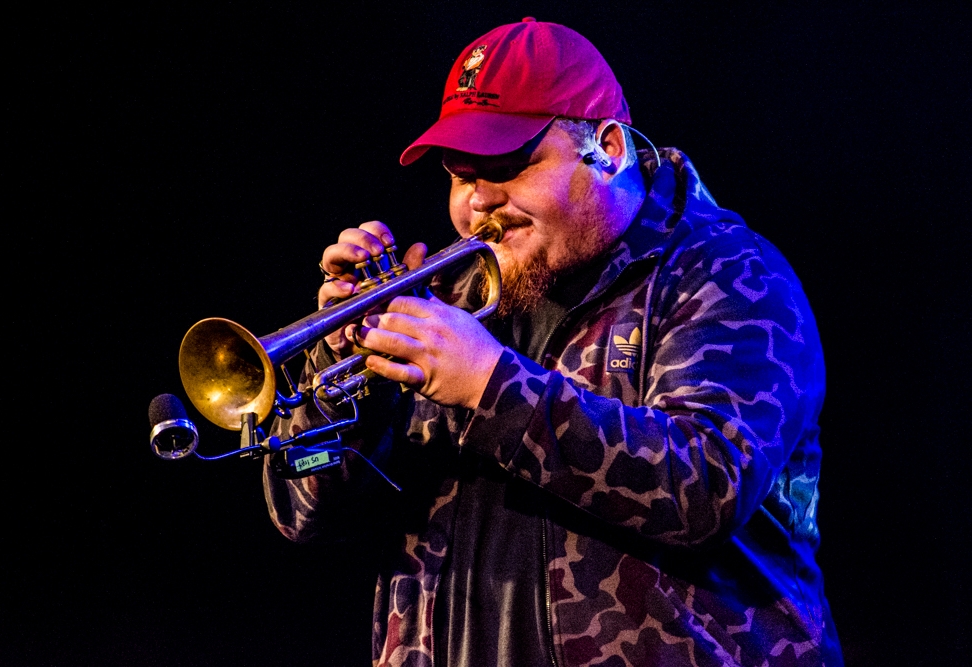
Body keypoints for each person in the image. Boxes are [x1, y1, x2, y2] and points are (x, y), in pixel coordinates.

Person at [264, 18, 842, 667]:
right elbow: (304, 514)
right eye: (461, 174)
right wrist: (345, 371)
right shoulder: (455, 301)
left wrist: (490, 387)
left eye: (509, 166)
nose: (479, 201)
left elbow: (705, 486)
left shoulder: (728, 275)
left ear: (610, 148)